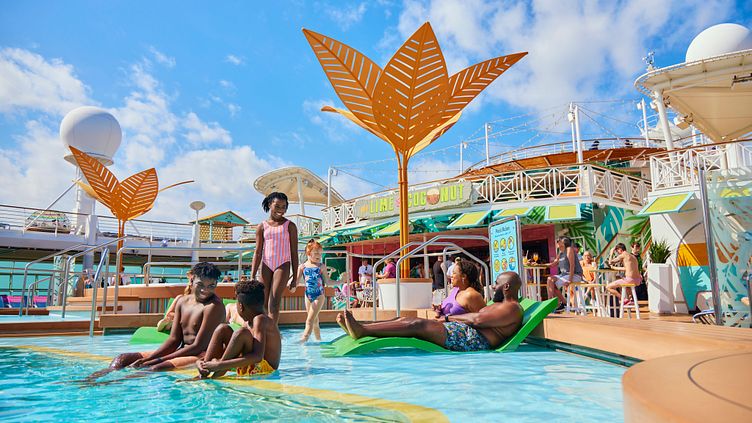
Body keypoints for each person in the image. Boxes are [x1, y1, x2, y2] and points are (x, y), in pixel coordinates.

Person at [85, 262, 225, 381]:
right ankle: (94, 378)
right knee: (123, 359)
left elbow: (198, 346)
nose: (205, 290)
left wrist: (155, 360)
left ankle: (115, 383)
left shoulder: (213, 306)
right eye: (200, 284)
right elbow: (174, 339)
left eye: (211, 286)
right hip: (182, 350)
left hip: (201, 354)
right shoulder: (182, 302)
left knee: (155, 367)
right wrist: (151, 357)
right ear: (192, 280)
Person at [337, 272, 524, 352]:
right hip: (464, 332)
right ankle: (364, 326)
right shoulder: (499, 304)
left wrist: (447, 318)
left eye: (497, 283)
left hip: (473, 340)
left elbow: (478, 319)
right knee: (406, 319)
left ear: (506, 287)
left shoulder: (512, 308)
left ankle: (363, 330)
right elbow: (477, 318)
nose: (493, 286)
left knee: (417, 325)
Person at [197, 279, 281, 378]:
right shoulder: (249, 322)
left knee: (241, 332)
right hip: (250, 365)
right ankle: (204, 368)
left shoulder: (260, 320)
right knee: (222, 329)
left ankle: (217, 373)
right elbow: (230, 350)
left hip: (265, 370)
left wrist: (220, 364)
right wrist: (200, 361)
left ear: (240, 306)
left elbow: (258, 356)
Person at [251, 191, 299, 325]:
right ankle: (262, 330)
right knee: (263, 302)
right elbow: (258, 252)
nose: (281, 210)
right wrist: (252, 275)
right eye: (277, 206)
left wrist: (295, 278)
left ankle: (272, 331)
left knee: (274, 302)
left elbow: (294, 252)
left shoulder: (290, 226)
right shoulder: (262, 226)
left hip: (282, 264)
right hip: (266, 264)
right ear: (269, 205)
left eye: (284, 207)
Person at [294, 239, 332, 343]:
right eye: (316, 253)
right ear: (308, 253)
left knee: (309, 320)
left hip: (319, 295)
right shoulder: (302, 267)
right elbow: (296, 282)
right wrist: (290, 284)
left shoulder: (321, 266)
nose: (319, 256)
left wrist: (341, 280)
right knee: (315, 321)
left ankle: (303, 340)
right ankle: (319, 340)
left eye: (320, 253)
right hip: (308, 296)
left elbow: (328, 281)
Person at [545, 236, 583, 312]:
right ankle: (563, 303)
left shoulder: (569, 249)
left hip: (574, 275)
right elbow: (552, 264)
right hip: (565, 275)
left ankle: (550, 304)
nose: (556, 243)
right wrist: (539, 264)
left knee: (551, 281)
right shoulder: (560, 253)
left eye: (558, 241)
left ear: (563, 242)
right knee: (550, 280)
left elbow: (572, 266)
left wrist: (570, 280)